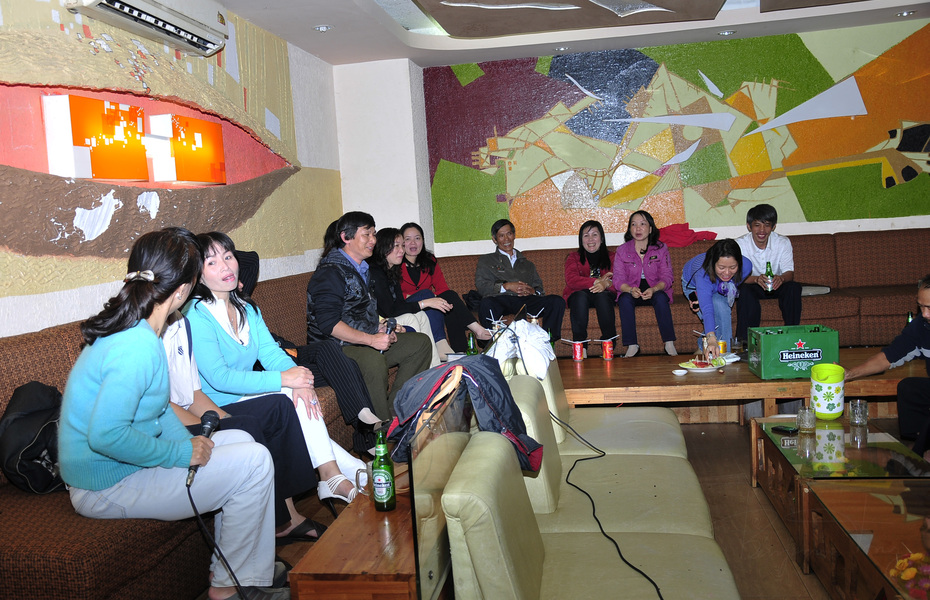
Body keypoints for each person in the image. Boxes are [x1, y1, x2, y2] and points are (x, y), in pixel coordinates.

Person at [58, 227, 287, 600]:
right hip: (104, 486)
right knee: (254, 461)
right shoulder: (135, 346)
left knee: (242, 438)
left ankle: (241, 567)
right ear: (182, 289)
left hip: (124, 467)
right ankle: (229, 589)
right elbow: (106, 436)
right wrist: (181, 452)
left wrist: (190, 444)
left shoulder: (141, 330)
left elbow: (158, 407)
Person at [185, 231, 365, 510]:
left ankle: (337, 476)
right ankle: (349, 472)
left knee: (298, 394)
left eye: (228, 257)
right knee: (287, 396)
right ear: (198, 275)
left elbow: (271, 353)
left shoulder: (247, 308)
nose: (225, 266)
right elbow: (220, 378)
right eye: (212, 262)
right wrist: (285, 379)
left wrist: (299, 379)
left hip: (248, 394)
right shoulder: (196, 314)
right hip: (219, 402)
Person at [163, 310, 327, 545]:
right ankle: (278, 523)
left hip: (191, 409)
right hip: (169, 424)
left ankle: (289, 515)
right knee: (248, 426)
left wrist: (226, 419)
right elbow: (163, 406)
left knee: (279, 406)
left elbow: (192, 394)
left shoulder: (180, 322)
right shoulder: (161, 328)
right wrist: (221, 426)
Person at [235, 249, 382, 455]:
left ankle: (364, 421)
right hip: (272, 367)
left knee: (328, 347)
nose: (240, 283)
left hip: (289, 351)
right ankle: (365, 435)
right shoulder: (212, 314)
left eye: (231, 266)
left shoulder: (242, 302)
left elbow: (251, 260)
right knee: (349, 366)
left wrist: (226, 267)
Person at [306, 212, 433, 420]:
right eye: (366, 234)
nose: (373, 240)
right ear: (346, 237)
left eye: (374, 234)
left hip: (360, 340)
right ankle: (381, 429)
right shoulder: (330, 273)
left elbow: (359, 313)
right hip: (334, 348)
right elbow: (329, 324)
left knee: (419, 343)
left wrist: (380, 328)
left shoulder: (362, 269)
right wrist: (372, 339)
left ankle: (395, 410)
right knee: (373, 361)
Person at [845, 275, 930, 461]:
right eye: (921, 306)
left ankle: (918, 458)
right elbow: (888, 357)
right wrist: (849, 374)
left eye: (929, 308)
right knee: (910, 387)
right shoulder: (922, 326)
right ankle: (917, 446)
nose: (924, 314)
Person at [399, 222, 491, 355]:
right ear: (401, 242)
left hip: (430, 305)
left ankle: (461, 352)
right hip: (409, 306)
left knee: (449, 301)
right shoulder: (396, 262)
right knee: (429, 294)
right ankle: (468, 335)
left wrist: (439, 300)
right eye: (408, 239)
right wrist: (429, 298)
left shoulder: (430, 260)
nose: (413, 243)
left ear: (423, 241)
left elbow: (442, 287)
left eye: (417, 238)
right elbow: (393, 294)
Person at [474, 219, 566, 342]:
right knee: (486, 304)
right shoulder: (486, 260)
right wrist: (506, 286)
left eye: (509, 234)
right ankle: (491, 344)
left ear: (514, 235)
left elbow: (539, 288)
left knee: (556, 301)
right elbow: (482, 286)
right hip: (500, 299)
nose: (506, 239)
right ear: (495, 239)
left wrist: (533, 291)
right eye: (501, 236)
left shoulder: (527, 264)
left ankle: (546, 342)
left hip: (525, 300)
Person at [369, 228, 441, 367]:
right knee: (411, 317)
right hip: (378, 323)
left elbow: (400, 304)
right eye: (396, 246)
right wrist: (424, 303)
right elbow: (391, 311)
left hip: (389, 317)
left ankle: (435, 367)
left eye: (402, 245)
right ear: (383, 248)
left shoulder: (392, 270)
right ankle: (419, 366)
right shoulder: (375, 273)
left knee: (421, 316)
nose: (402, 250)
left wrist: (422, 305)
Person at [612, 211, 677, 357]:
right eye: (633, 224)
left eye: (642, 224)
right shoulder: (622, 250)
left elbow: (667, 277)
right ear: (629, 229)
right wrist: (629, 289)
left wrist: (654, 289)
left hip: (655, 287)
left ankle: (669, 344)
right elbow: (617, 279)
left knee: (661, 298)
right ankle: (632, 345)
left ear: (650, 228)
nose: (638, 228)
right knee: (624, 300)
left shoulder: (661, 248)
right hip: (631, 288)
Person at [735, 203, 802, 343]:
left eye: (767, 225)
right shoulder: (739, 245)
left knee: (793, 287)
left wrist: (781, 279)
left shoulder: (783, 242)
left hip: (776, 284)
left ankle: (792, 337)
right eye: (757, 225)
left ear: (773, 226)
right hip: (752, 284)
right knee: (744, 291)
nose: (762, 230)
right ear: (749, 226)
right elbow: (736, 276)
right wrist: (756, 279)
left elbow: (789, 273)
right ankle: (745, 342)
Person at [681, 239, 751, 360]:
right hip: (694, 285)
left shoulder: (746, 266)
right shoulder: (702, 273)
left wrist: (723, 287)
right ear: (713, 263)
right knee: (720, 309)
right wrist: (711, 337)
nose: (727, 272)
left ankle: (709, 350)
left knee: (720, 308)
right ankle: (724, 356)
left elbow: (732, 282)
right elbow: (707, 309)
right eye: (721, 267)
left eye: (733, 267)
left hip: (720, 284)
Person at [561, 220, 616, 356]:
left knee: (602, 296)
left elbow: (620, 279)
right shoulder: (573, 257)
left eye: (594, 235)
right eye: (586, 235)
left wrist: (607, 284)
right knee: (580, 297)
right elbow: (571, 280)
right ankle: (580, 347)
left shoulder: (612, 257)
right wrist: (597, 281)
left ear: (601, 238)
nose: (590, 239)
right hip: (579, 294)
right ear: (581, 240)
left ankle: (608, 344)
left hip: (604, 294)